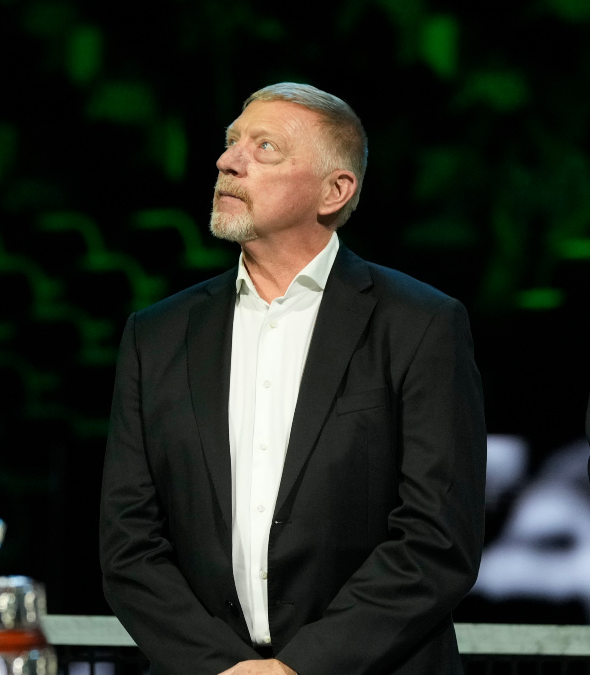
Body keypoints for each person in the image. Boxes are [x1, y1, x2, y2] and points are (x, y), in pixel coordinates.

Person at [99, 83, 486, 675]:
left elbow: (437, 540)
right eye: (231, 144)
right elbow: (130, 545)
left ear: (335, 191)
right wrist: (222, 668)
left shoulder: (420, 324)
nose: (229, 162)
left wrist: (300, 668)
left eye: (266, 148)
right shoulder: (157, 335)